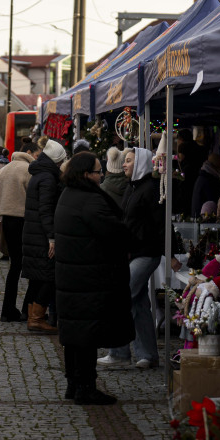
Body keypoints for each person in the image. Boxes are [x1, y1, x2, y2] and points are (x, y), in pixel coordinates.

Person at [54, 152, 134, 405]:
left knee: (75, 336)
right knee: (86, 336)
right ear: (86, 175)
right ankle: (85, 387)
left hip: (74, 276)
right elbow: (116, 232)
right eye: (99, 171)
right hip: (88, 277)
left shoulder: (69, 194)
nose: (103, 175)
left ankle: (73, 384)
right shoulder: (89, 200)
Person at [98, 148, 165, 370]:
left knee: (121, 297)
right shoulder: (132, 186)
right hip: (134, 252)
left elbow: (159, 224)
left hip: (145, 252)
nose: (124, 164)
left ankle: (119, 353)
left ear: (140, 164)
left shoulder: (150, 189)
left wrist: (170, 253)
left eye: (128, 161)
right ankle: (148, 355)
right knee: (138, 304)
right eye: (125, 161)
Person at [22, 139, 66, 333]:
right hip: (41, 235)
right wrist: (51, 238)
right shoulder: (48, 178)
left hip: (33, 233)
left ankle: (33, 315)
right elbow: (46, 210)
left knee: (38, 277)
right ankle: (36, 318)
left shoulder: (40, 174)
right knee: (48, 276)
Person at [0, 141, 37, 322]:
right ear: (29, 152)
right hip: (23, 221)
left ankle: (7, 309)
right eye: (37, 154)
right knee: (32, 266)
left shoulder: (5, 169)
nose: (37, 157)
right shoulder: (28, 170)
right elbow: (33, 198)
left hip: (6, 221)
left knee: (14, 266)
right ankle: (29, 309)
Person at [191, 153, 220, 217]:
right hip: (205, 220)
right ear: (216, 167)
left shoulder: (203, 177)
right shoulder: (209, 180)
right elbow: (215, 199)